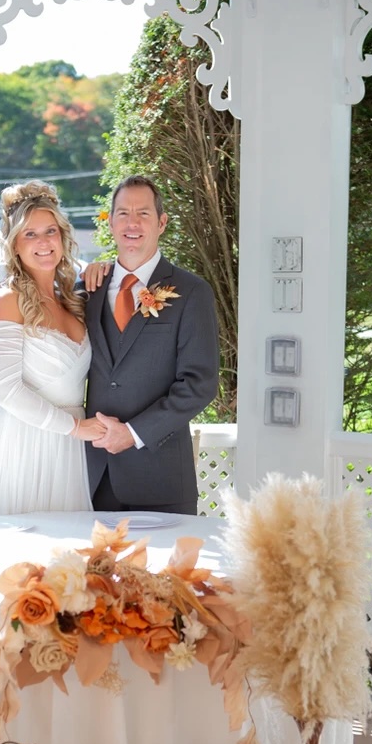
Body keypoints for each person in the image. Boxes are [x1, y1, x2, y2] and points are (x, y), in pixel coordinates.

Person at [0, 180, 105, 515]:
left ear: (63, 237)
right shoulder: (6, 299)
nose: (43, 242)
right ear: (14, 245)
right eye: (30, 234)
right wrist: (77, 428)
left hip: (68, 450)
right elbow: (6, 391)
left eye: (50, 231)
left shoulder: (71, 298)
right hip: (25, 445)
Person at [84, 175, 219, 515]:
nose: (132, 223)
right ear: (110, 222)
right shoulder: (86, 290)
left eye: (143, 214)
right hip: (90, 478)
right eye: (123, 213)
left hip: (161, 480)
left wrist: (132, 433)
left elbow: (199, 385)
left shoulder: (191, 292)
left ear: (161, 223)